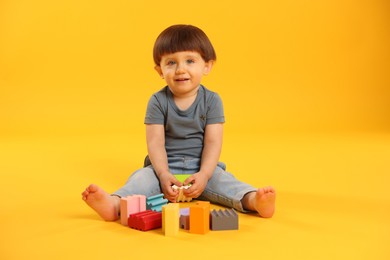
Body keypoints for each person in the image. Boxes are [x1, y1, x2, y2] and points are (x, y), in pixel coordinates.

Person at [81, 24, 275, 221]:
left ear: (207, 65)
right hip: (164, 168)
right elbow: (155, 143)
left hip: (202, 168)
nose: (180, 69)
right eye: (171, 63)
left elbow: (213, 142)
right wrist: (163, 174)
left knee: (225, 182)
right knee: (140, 179)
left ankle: (253, 200)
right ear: (159, 70)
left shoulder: (212, 100)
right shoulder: (157, 101)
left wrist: (205, 174)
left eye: (190, 61)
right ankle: (114, 204)